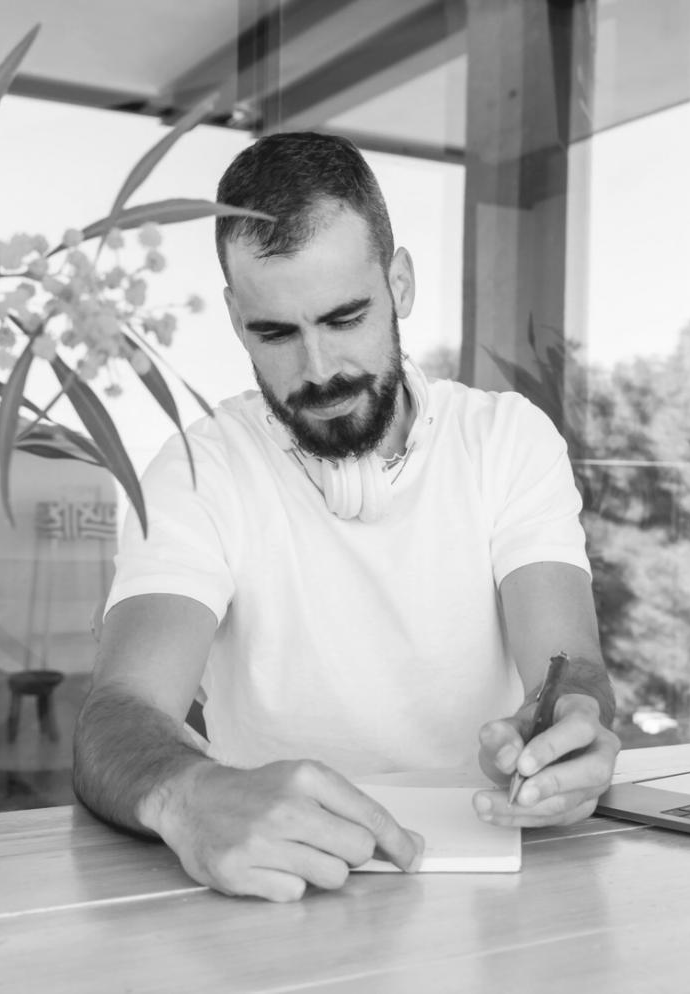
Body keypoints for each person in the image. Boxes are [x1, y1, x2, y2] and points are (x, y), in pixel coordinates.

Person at [72, 131, 619, 903]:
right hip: (279, 890)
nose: (318, 370)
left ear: (399, 284)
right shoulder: (199, 469)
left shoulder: (508, 439)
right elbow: (117, 715)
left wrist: (573, 726)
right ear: (235, 318)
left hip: (498, 891)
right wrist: (187, 796)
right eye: (275, 333)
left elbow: (574, 665)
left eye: (344, 317)